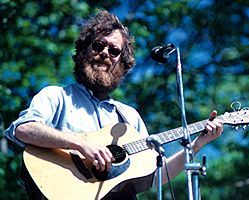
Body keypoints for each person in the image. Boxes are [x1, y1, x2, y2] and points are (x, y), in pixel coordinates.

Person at [4, 10, 223, 200]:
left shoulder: (129, 116)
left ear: (122, 62)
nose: (105, 53)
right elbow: (22, 129)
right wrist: (80, 144)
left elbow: (155, 176)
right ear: (84, 50)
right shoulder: (57, 96)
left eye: (114, 51)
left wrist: (198, 144)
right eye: (99, 45)